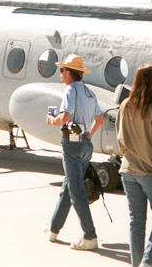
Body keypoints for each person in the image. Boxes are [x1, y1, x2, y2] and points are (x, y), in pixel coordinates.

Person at [117, 64, 152, 267]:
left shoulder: (125, 105)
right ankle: (147, 262)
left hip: (129, 169)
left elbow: (120, 138)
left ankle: (136, 263)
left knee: (136, 221)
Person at [45, 54, 102, 251]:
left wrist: (52, 120)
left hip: (72, 145)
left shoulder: (70, 90)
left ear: (69, 73)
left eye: (62, 70)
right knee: (68, 187)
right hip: (85, 144)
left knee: (76, 191)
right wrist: (87, 135)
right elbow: (99, 120)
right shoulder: (90, 92)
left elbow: (64, 117)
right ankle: (54, 229)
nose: (61, 73)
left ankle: (90, 236)